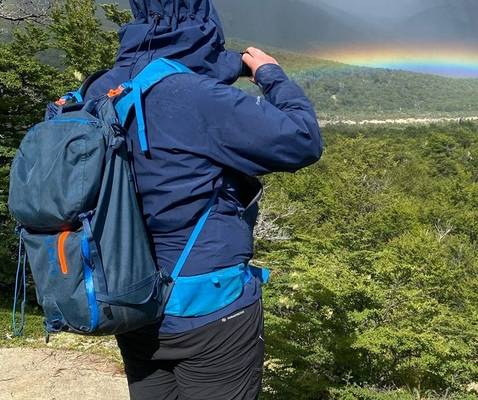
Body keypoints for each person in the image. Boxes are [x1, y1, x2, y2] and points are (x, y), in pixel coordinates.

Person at [84, 0, 323, 399]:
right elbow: (302, 139)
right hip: (209, 308)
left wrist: (229, 65)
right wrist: (270, 74)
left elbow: (172, 67)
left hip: (131, 297)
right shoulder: (195, 97)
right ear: (205, 20)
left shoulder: (100, 90)